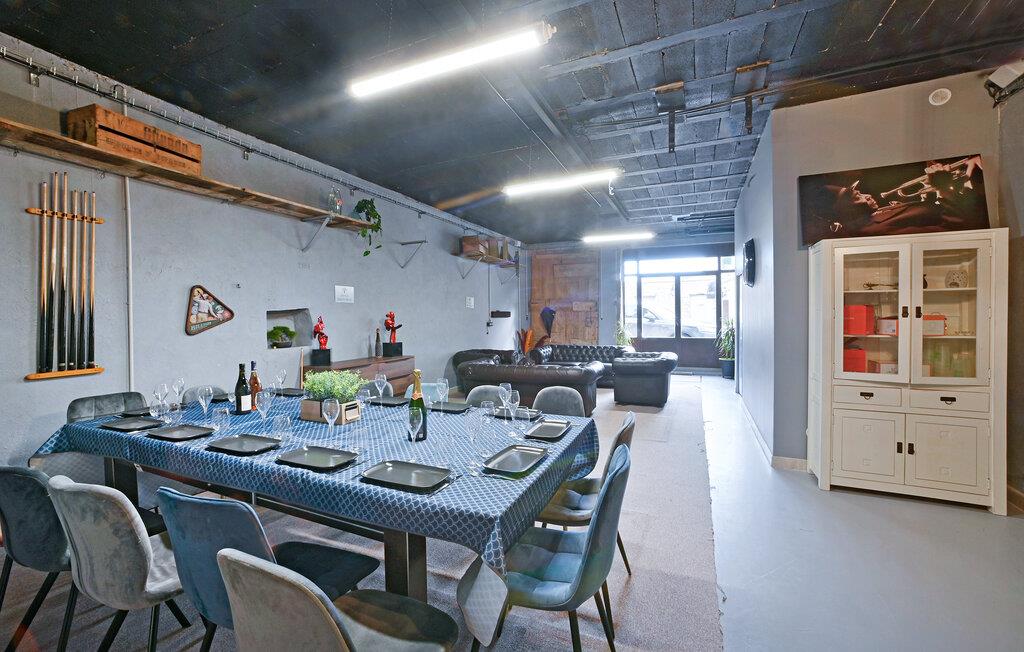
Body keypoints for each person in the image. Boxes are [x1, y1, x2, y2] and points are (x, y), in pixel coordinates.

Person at [806, 156, 988, 241]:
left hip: (972, 194)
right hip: (980, 209)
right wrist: (943, 188)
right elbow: (952, 229)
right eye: (856, 196)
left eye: (859, 192)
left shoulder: (876, 215)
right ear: (844, 210)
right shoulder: (874, 231)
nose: (867, 195)